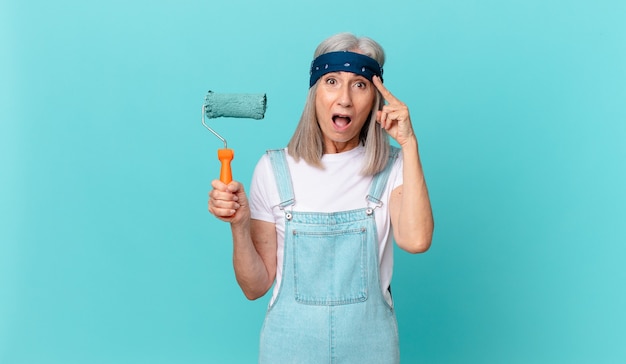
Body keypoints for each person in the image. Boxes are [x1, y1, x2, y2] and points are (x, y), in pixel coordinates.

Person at [208, 32, 434, 364]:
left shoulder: (394, 167)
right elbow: (254, 287)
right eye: (331, 81)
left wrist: (410, 143)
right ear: (314, 93)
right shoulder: (274, 169)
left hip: (370, 349)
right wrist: (239, 226)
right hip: (289, 348)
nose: (344, 99)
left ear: (375, 99)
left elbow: (416, 240)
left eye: (360, 85)